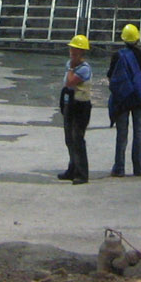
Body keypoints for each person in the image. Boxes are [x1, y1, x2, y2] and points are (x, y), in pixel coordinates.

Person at [107, 24, 141, 178]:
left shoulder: (118, 56)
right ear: (137, 38)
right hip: (140, 98)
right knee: (139, 131)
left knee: (122, 133)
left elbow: (111, 78)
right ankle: (139, 168)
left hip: (123, 98)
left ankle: (119, 168)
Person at [58, 35, 93, 184]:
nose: (71, 51)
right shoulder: (70, 64)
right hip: (69, 104)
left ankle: (82, 173)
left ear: (81, 52)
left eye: (74, 49)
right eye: (71, 48)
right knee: (69, 139)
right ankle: (72, 168)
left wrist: (72, 67)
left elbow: (70, 82)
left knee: (77, 139)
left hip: (80, 106)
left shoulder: (84, 69)